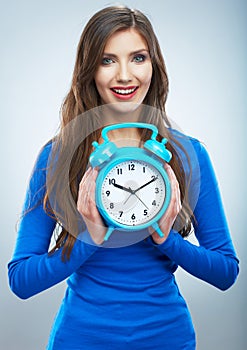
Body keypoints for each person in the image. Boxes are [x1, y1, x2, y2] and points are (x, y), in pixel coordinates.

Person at [8, 6, 239, 350]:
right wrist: (90, 238)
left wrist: (168, 240)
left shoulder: (189, 157)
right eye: (107, 60)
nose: (125, 75)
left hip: (166, 338)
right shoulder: (58, 157)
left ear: (154, 66)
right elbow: (21, 280)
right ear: (89, 71)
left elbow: (225, 272)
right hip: (81, 340)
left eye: (138, 58)